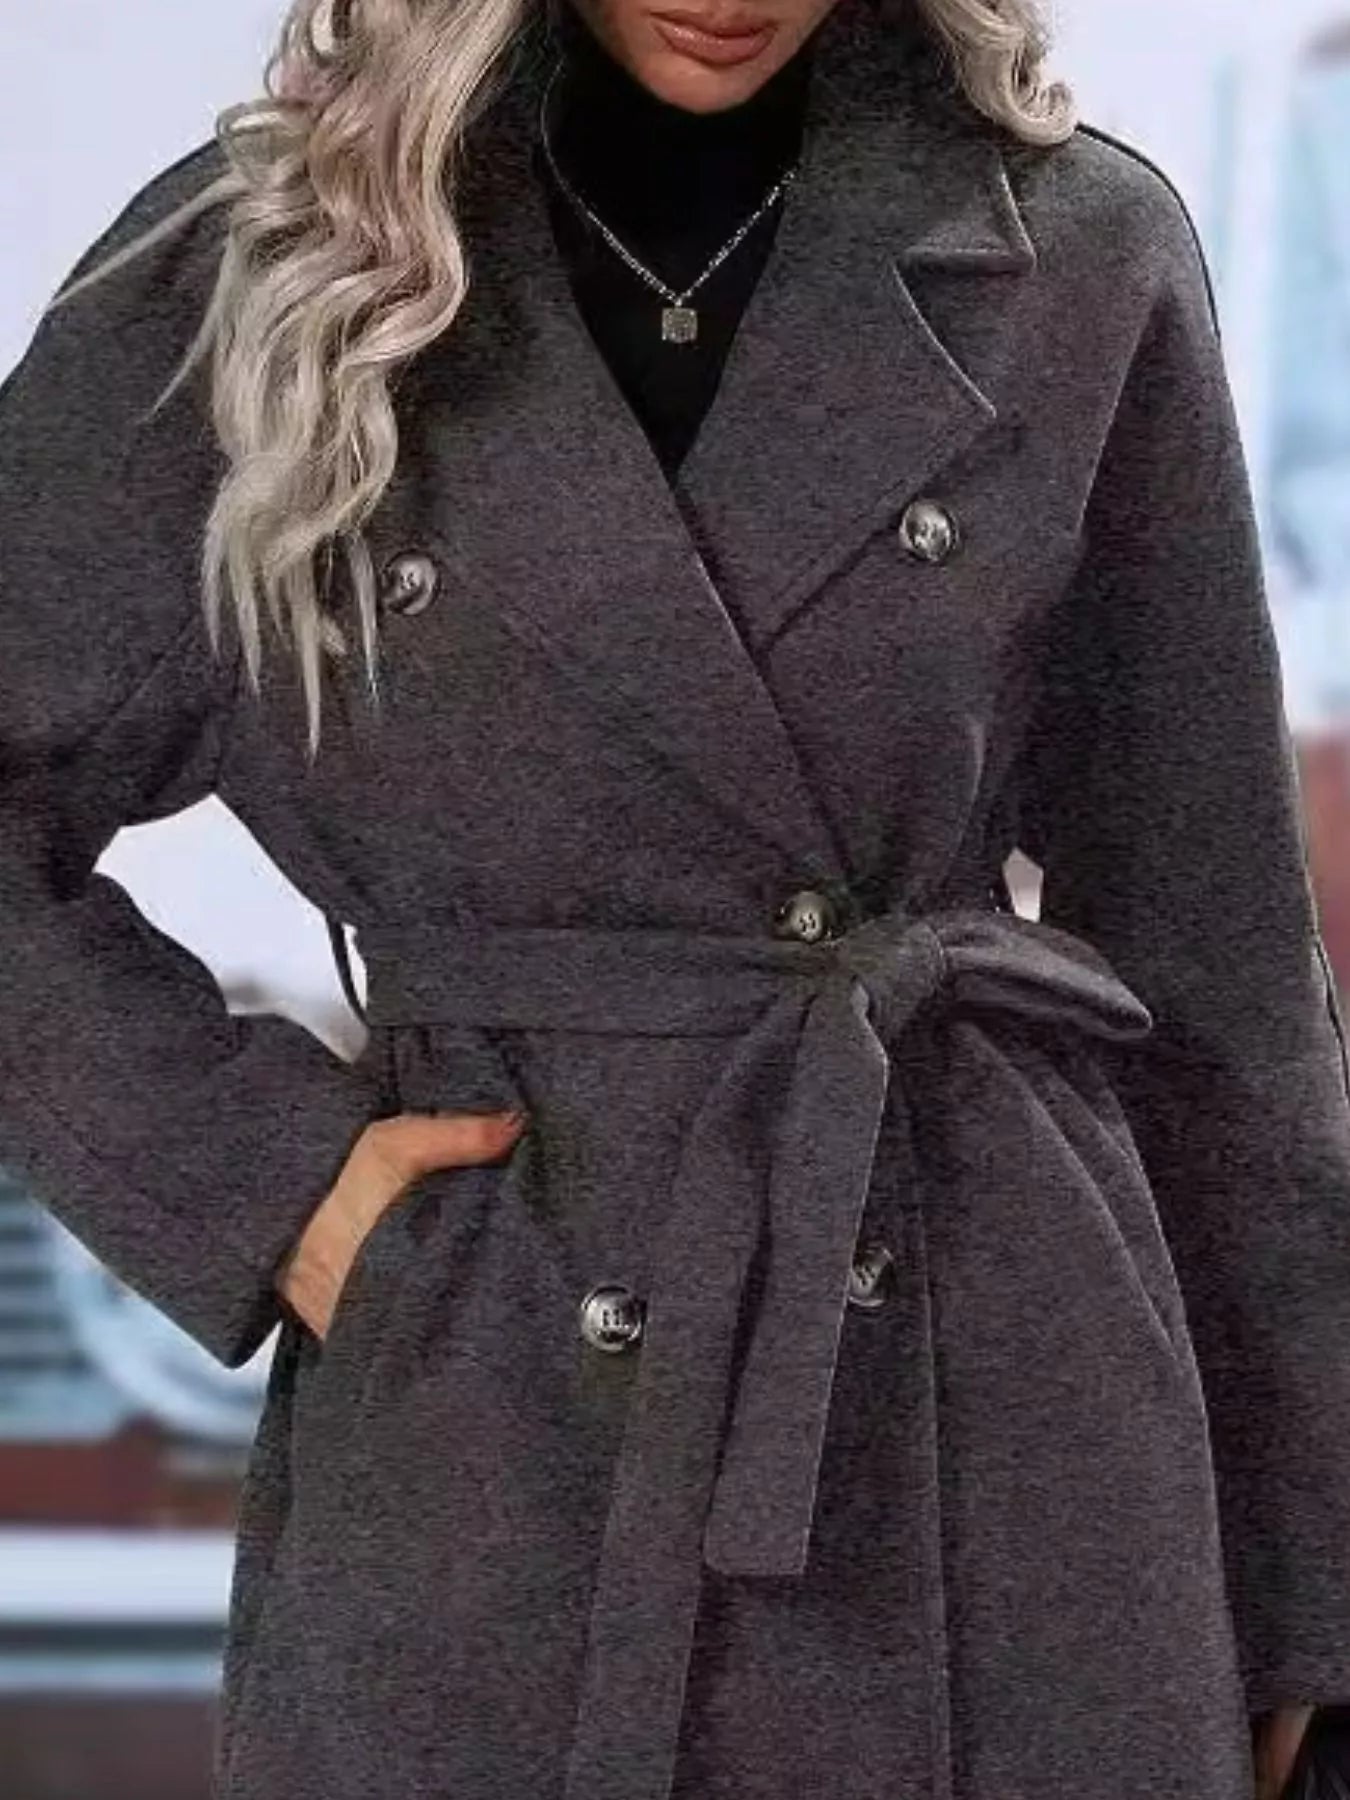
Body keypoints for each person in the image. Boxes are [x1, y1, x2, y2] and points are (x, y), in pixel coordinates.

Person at [1, 0, 1346, 1794]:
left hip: (1009, 1404)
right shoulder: (257, 270)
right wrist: (275, 1189)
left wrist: (1305, 1588)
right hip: (497, 1381)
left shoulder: (1077, 251)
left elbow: (1218, 958)